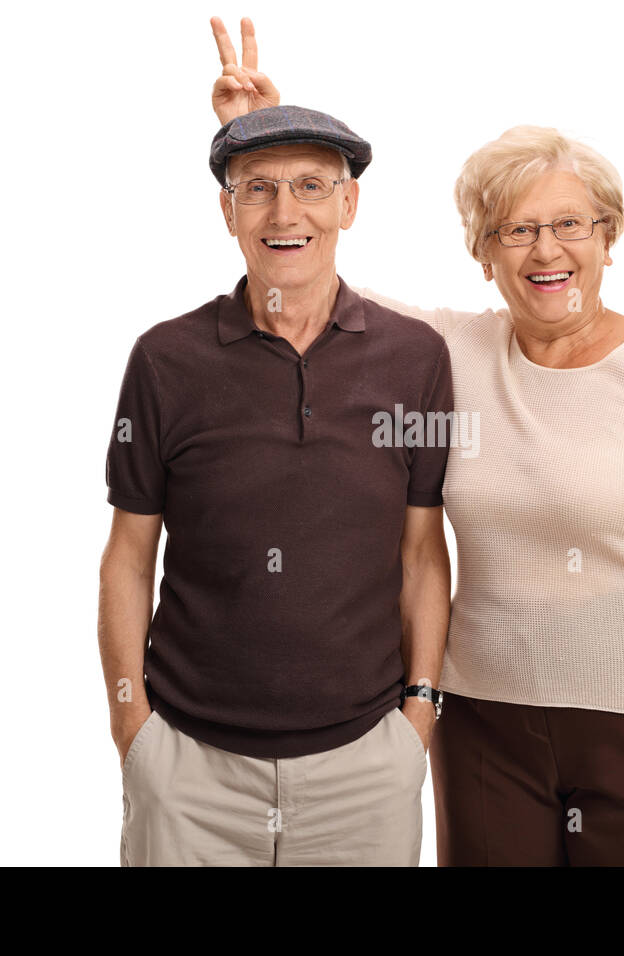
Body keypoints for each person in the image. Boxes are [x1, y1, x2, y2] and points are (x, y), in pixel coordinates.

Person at [210, 17, 624, 866]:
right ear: (483, 253)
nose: (547, 250)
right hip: (487, 725)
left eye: (571, 225)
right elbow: (301, 271)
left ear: (609, 236)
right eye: (516, 231)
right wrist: (255, 140)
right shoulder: (446, 352)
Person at [97, 98, 453, 866]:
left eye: (312, 187)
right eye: (255, 187)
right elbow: (128, 554)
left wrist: (418, 716)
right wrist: (134, 733)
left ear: (350, 203)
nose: (284, 211)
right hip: (189, 771)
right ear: (228, 212)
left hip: (365, 768)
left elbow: (423, 553)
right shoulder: (165, 360)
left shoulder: (415, 358)